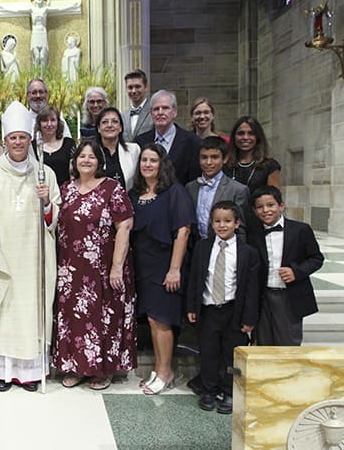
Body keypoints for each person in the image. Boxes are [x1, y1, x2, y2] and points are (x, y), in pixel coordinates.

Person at [0, 101, 60, 392]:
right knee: (4, 314)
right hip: (2, 261)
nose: (18, 142)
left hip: (34, 262)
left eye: (23, 137)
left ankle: (30, 373)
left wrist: (47, 202)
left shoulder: (45, 174)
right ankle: (3, 373)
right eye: (12, 138)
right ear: (4, 141)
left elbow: (54, 220)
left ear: (30, 140)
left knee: (30, 313)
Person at [53, 140, 136, 390]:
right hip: (71, 271)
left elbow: (125, 225)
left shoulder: (112, 188)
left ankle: (103, 370)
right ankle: (77, 367)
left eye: (91, 156)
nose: (86, 160)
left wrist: (116, 267)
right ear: (74, 161)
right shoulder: (65, 189)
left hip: (103, 269)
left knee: (103, 318)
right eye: (82, 156)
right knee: (74, 318)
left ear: (99, 161)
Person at [129, 143, 194, 394]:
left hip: (165, 265)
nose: (147, 164)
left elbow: (183, 230)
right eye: (144, 160)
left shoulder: (174, 192)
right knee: (152, 321)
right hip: (143, 266)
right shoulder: (135, 194)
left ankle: (165, 371)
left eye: (153, 160)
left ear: (162, 164)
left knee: (162, 320)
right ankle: (159, 368)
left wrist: (175, 269)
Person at [187, 201, 260, 415]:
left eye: (227, 221)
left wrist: (249, 318)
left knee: (231, 355)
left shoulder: (247, 252)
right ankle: (208, 389)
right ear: (211, 223)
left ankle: (230, 391)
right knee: (208, 352)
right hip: (209, 309)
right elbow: (195, 278)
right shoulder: (203, 247)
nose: (222, 225)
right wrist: (191, 306)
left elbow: (252, 289)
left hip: (233, 311)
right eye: (217, 221)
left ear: (237, 223)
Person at [247, 186, 324, 346]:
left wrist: (296, 271)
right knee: (263, 344)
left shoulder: (300, 230)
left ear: (281, 205)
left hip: (289, 297)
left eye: (270, 205)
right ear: (254, 211)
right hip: (263, 297)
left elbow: (316, 258)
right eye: (260, 207)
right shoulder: (253, 234)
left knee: (288, 344)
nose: (266, 210)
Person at [186, 136, 249, 241]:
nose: (208, 162)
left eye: (214, 157)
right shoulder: (190, 188)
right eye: (204, 157)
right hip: (196, 249)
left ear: (224, 159)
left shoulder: (238, 190)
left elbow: (241, 230)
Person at [224, 116, 281, 231]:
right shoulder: (226, 166)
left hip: (259, 224)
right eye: (241, 133)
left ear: (258, 137)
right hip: (231, 226)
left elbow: (274, 199)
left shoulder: (269, 165)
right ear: (234, 137)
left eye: (251, 133)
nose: (245, 137)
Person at [135, 89, 202, 185]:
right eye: (156, 109)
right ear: (151, 114)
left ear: (174, 112)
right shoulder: (140, 142)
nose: (160, 112)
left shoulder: (192, 142)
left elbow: (194, 182)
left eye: (165, 108)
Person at [95, 107, 141, 192]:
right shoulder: (91, 152)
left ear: (120, 128)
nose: (109, 125)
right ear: (98, 128)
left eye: (115, 122)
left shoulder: (134, 150)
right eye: (105, 122)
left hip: (128, 202)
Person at [32, 105, 76, 186]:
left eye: (53, 120)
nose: (49, 124)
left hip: (64, 193)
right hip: (40, 193)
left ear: (58, 123)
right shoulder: (32, 146)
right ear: (39, 124)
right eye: (45, 120)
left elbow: (73, 173)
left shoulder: (69, 144)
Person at [121, 69, 153, 144]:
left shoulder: (154, 112)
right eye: (130, 87)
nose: (134, 91)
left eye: (137, 86)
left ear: (146, 87)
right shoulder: (122, 115)